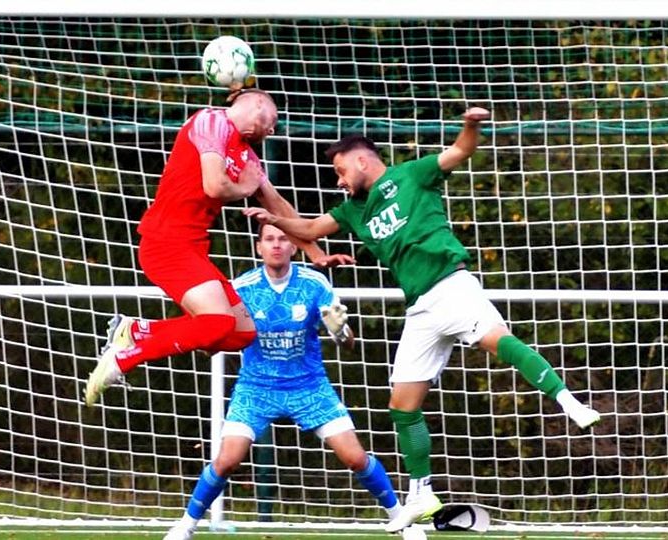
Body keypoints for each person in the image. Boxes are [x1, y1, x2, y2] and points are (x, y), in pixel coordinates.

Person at [243, 107, 601, 533]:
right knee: (402, 405)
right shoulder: (354, 209)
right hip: (419, 309)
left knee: (498, 340)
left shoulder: (413, 174)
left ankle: (568, 401)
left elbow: (460, 152)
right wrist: (272, 217)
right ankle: (422, 492)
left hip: (450, 285)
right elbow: (311, 226)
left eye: (340, 170)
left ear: (361, 160)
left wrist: (471, 125)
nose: (338, 180)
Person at [83, 89, 352, 407]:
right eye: (274, 120)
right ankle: (125, 357)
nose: (274, 129)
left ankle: (138, 330)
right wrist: (247, 187)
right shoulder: (212, 121)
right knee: (219, 323)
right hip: (165, 242)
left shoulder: (248, 157)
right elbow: (215, 185)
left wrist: (316, 253)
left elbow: (278, 206)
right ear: (257, 107)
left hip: (191, 248)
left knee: (242, 333)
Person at [163, 223, 424, 540]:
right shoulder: (241, 288)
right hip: (256, 388)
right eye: (269, 239)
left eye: (283, 239)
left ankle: (403, 523)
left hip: (310, 386)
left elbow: (348, 343)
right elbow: (224, 335)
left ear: (294, 247)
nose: (276, 244)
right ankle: (185, 526)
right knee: (227, 460)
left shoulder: (315, 284)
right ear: (259, 247)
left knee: (354, 457)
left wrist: (340, 331)